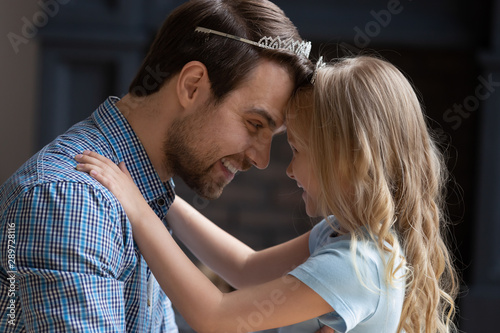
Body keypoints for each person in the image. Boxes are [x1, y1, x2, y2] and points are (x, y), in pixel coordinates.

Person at [74, 55, 460, 332]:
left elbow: (215, 316)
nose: (289, 170)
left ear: (348, 160)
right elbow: (245, 269)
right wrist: (163, 198)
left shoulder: (357, 266)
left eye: (297, 150)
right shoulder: (340, 235)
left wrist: (140, 213)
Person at [0, 0, 314, 331]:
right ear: (192, 86)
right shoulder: (76, 201)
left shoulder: (145, 194)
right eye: (254, 124)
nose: (261, 160)